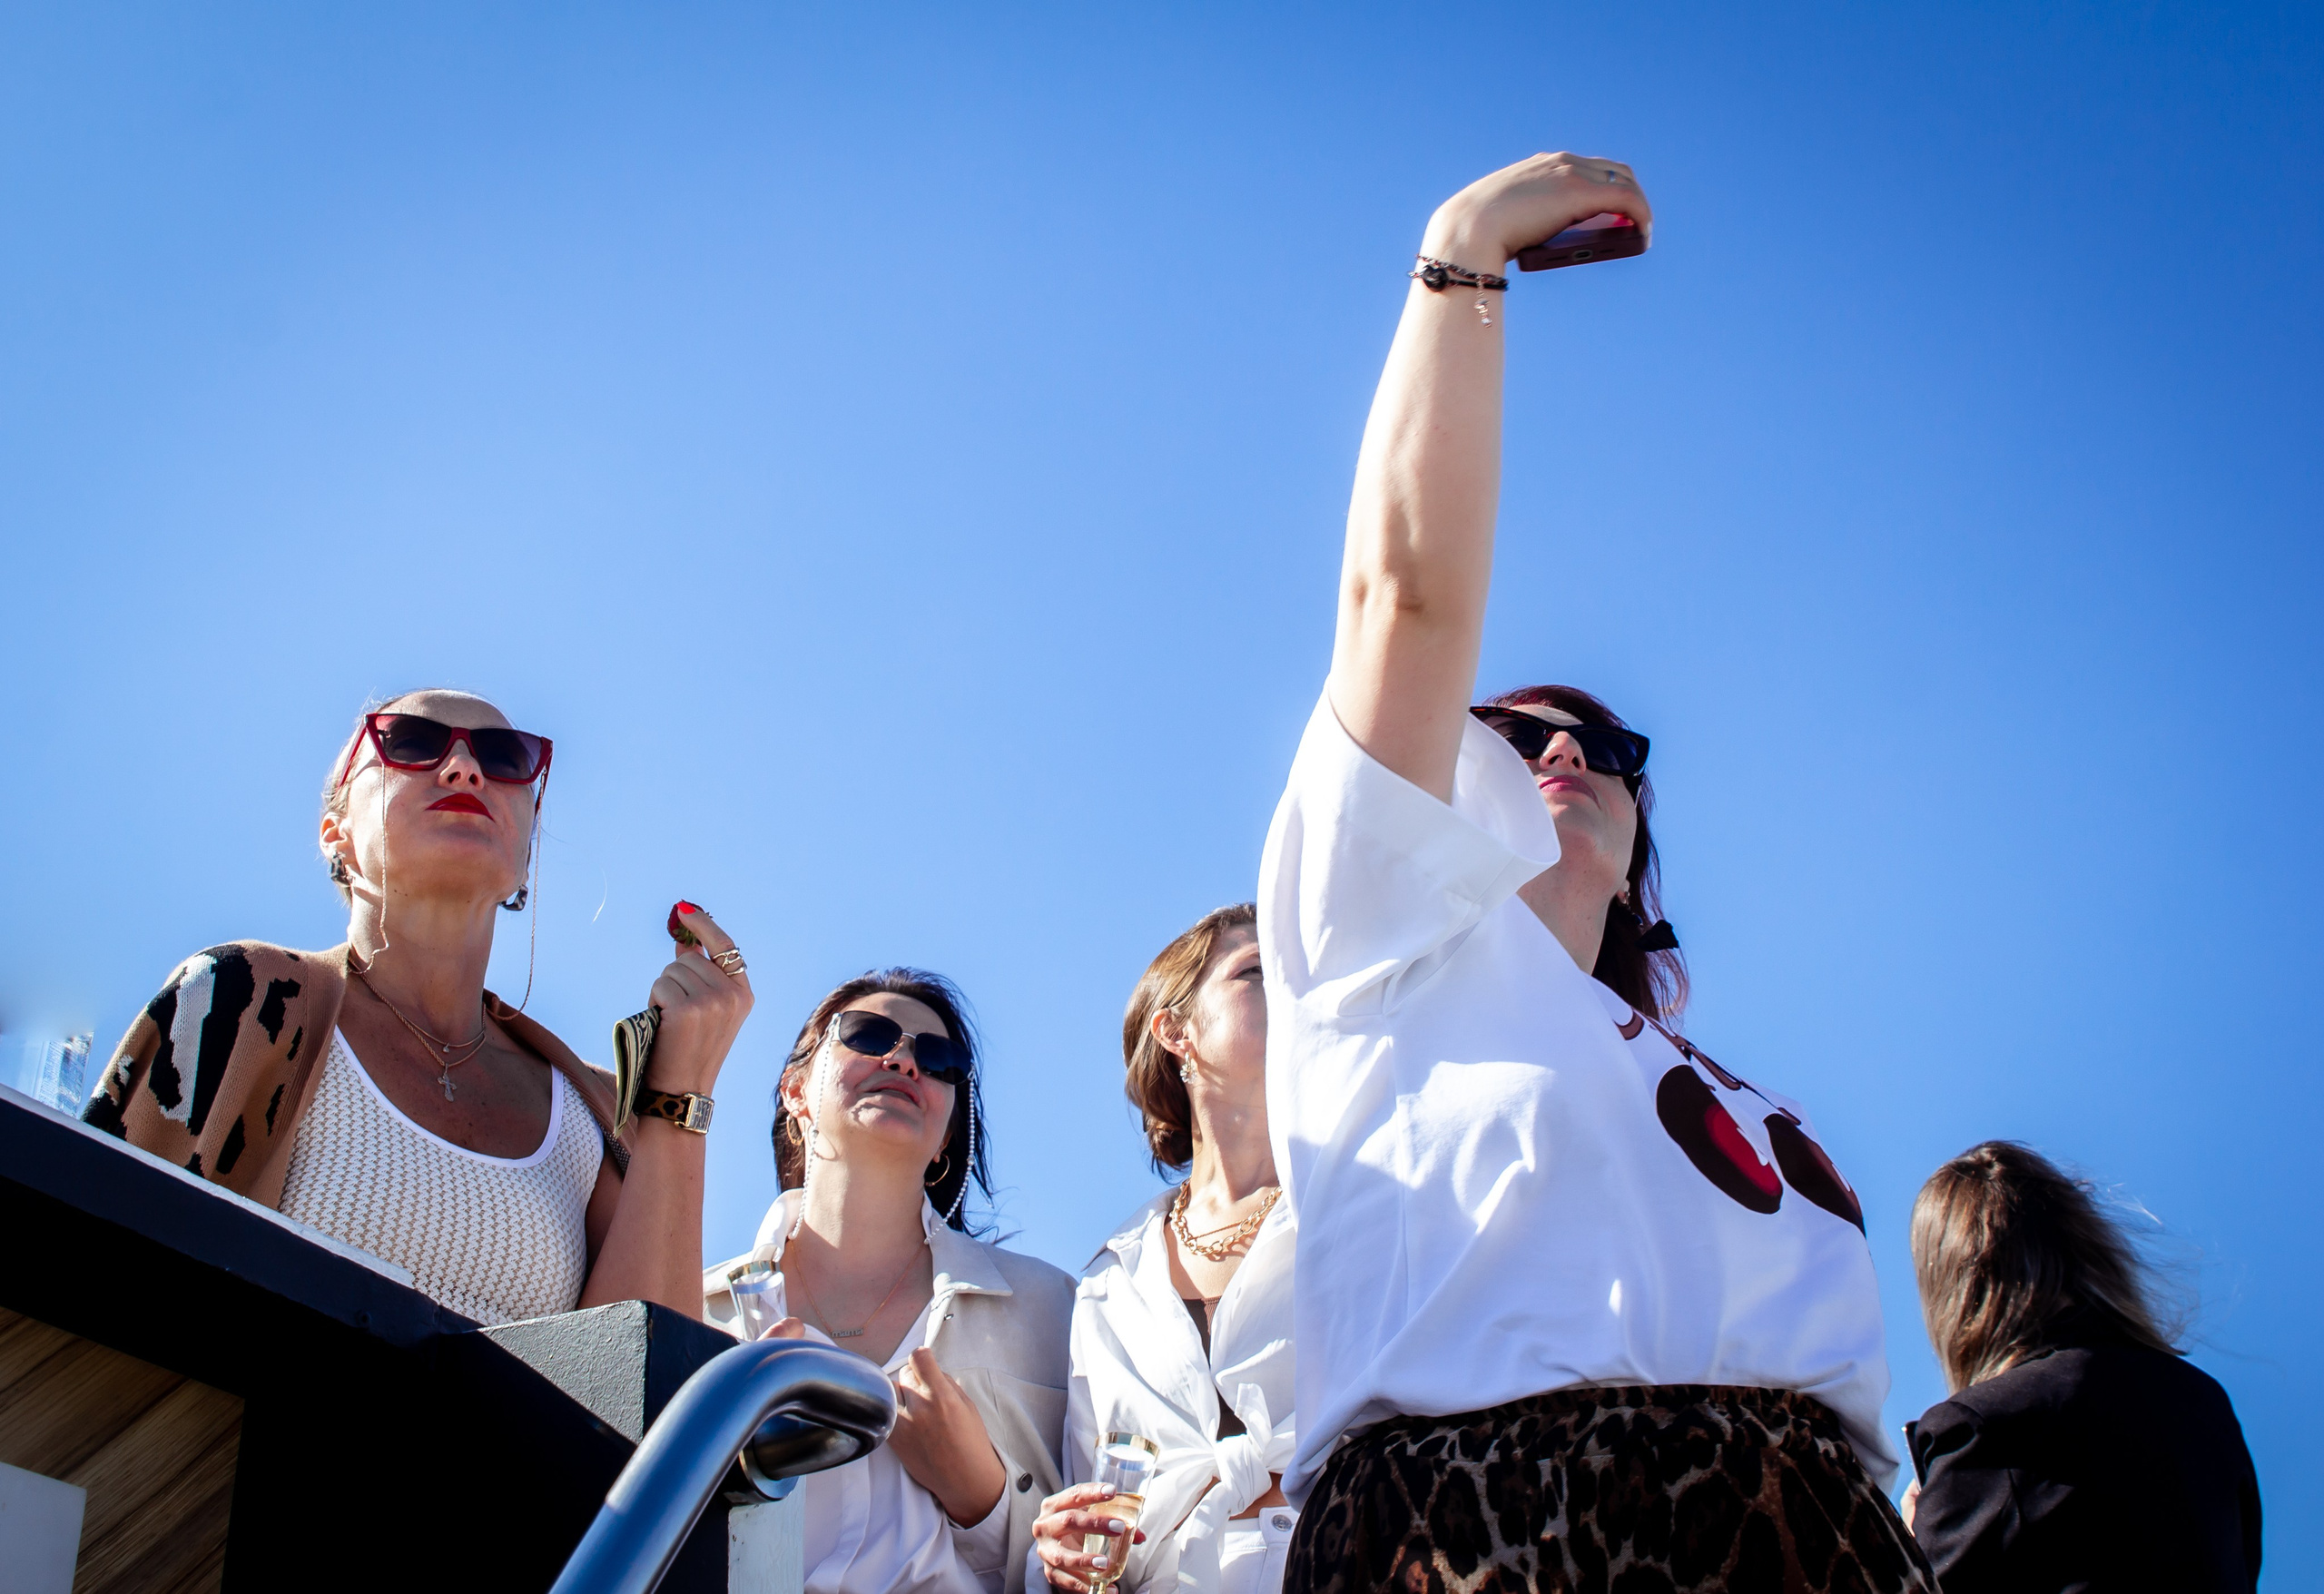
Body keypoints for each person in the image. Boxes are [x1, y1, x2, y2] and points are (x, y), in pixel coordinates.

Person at [1256, 153, 1933, 1594]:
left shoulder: (1725, 1083)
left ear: (1640, 864)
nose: (1562, 750)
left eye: (1606, 746)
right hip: (1480, 1538)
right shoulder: (1379, 941)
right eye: (1513, 736)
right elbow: (1407, 598)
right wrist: (1462, 258)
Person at [84, 690, 751, 1324]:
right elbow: (79, 1273)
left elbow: (636, 1382)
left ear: (524, 857)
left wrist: (677, 1098)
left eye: (505, 757)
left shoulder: (595, 1112)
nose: (463, 768)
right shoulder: (244, 1002)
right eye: (409, 743)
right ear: (336, 835)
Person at [704, 969, 1075, 1594]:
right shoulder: (697, 1312)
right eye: (867, 1035)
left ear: (947, 1135)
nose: (903, 1060)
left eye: (939, 1059)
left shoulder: (1054, 1312)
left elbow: (1106, 1554)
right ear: (796, 1091)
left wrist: (983, 1499)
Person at [1032, 905, 1298, 1594]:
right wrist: (1063, 1555)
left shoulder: (1361, 1212)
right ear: (1176, 1031)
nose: (1292, 979)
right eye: (1257, 970)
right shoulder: (1110, 1281)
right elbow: (1093, 1517)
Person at [1902, 1141, 2261, 1589]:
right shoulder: (2203, 1403)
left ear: (1954, 1288)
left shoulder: (1982, 1428)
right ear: (2084, 1243)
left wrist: (1911, 1548)